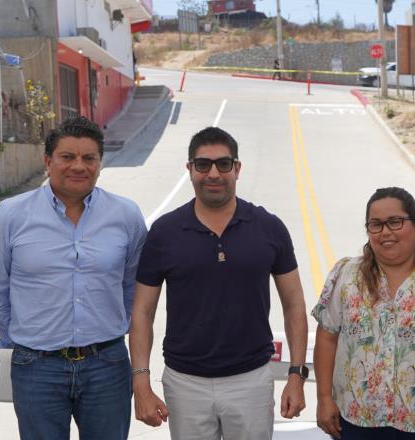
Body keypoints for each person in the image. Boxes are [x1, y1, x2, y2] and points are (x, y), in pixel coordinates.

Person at [129, 126, 308, 439]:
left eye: (223, 164)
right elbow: (143, 311)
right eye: (203, 164)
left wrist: (296, 374)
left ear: (237, 169)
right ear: (190, 170)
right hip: (185, 383)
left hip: (251, 380)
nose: (213, 173)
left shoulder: (269, 227)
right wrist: (141, 382)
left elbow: (294, 304)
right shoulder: (164, 232)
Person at [0, 117, 147, 440]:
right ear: (48, 161)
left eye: (89, 158)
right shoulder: (11, 215)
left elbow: (134, 286)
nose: (78, 166)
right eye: (67, 157)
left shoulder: (126, 215)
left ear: (100, 163)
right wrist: (25, 338)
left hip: (107, 365)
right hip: (37, 367)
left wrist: (114, 327)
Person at [312, 187, 415, 440]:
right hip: (358, 421)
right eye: (376, 225)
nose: (386, 232)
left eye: (395, 222)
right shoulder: (347, 276)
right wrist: (324, 398)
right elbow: (327, 337)